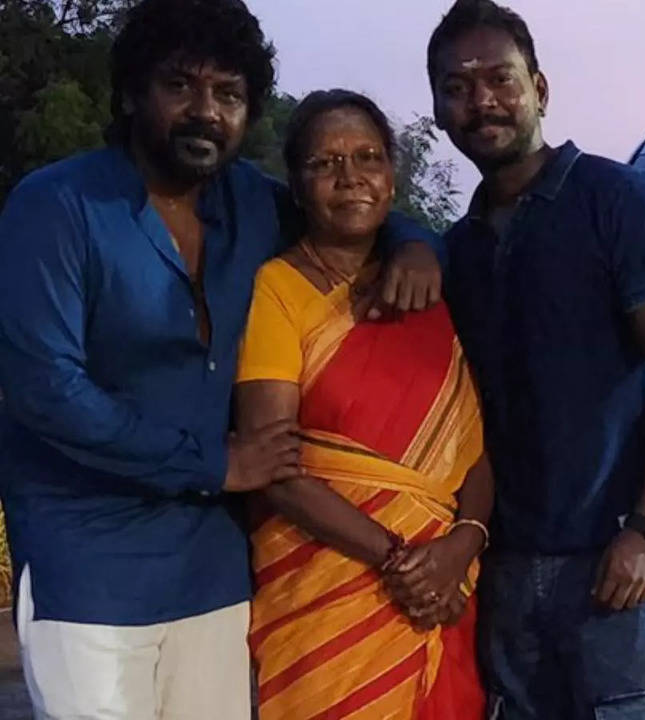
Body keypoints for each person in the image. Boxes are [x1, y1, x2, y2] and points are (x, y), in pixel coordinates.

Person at [0, 1, 444, 718]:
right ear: (131, 94)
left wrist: (419, 244)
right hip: (89, 567)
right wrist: (217, 464)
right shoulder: (57, 206)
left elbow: (356, 206)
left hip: (215, 571)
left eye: (229, 94)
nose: (206, 111)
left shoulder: (253, 206)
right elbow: (44, 389)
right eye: (180, 86)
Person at [427, 2, 645, 718]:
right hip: (507, 564)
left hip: (620, 557)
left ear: (541, 89)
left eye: (500, 79)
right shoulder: (457, 249)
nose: (481, 101)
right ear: (436, 108)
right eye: (457, 88)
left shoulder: (621, 202)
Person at [235, 89, 491, 720]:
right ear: (295, 185)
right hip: (325, 595)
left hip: (443, 591)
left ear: (391, 176)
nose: (350, 178)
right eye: (325, 164)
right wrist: (403, 562)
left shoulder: (429, 285)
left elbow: (476, 452)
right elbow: (276, 466)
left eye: (368, 158)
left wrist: (460, 549)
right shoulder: (278, 291)